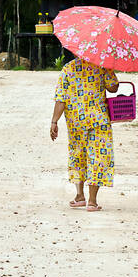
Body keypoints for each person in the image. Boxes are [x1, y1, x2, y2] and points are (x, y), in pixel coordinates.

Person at [49, 54, 119, 211]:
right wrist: (109, 68)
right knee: (98, 157)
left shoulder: (68, 69)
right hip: (99, 120)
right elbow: (114, 87)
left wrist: (54, 121)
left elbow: (61, 99)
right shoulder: (102, 65)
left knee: (77, 155)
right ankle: (92, 201)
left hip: (76, 122)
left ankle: (80, 196)